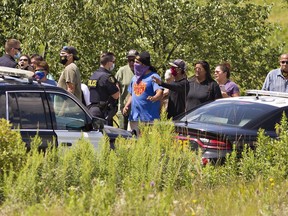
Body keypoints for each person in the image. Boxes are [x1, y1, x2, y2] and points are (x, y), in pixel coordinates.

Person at [123, 51, 163, 134]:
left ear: (144, 65)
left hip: (149, 119)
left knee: (148, 144)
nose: (134, 64)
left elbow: (160, 92)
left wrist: (154, 97)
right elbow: (132, 94)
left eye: (137, 62)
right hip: (134, 118)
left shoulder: (153, 77)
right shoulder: (135, 78)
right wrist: (127, 106)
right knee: (133, 143)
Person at [88, 52, 119, 126]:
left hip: (92, 110)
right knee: (106, 136)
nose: (113, 64)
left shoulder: (94, 75)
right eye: (113, 62)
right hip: (103, 112)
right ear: (109, 63)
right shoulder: (107, 77)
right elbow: (116, 95)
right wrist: (117, 86)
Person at [115, 49, 139, 130]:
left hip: (137, 109)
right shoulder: (122, 71)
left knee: (136, 134)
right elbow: (114, 87)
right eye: (129, 60)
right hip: (123, 108)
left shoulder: (142, 71)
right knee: (122, 133)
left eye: (133, 60)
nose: (131, 62)